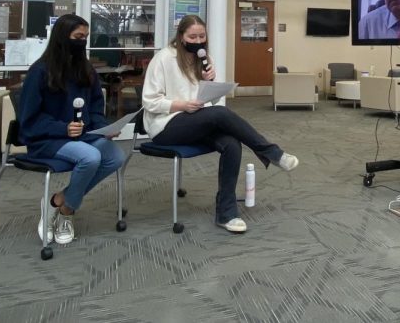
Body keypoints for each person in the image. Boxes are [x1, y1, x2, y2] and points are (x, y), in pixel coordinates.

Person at [141, 15, 298, 234]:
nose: (198, 40)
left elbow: (208, 100)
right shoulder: (164, 58)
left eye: (202, 36)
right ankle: (271, 152)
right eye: (192, 36)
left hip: (194, 121)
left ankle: (226, 213)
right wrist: (181, 105)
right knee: (221, 114)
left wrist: (209, 82)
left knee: (232, 143)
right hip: (165, 125)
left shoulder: (203, 59)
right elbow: (149, 101)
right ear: (181, 37)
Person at [18, 14, 125, 245]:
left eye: (85, 37)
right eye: (78, 37)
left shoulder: (86, 70)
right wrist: (63, 128)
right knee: (91, 157)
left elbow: (96, 107)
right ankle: (68, 213)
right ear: (62, 37)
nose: (82, 42)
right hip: (46, 139)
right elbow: (29, 119)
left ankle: (58, 202)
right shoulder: (40, 71)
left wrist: (104, 128)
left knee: (115, 155)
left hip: (81, 137)